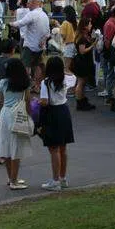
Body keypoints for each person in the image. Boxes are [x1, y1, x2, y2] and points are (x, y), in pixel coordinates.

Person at [0, 58, 32, 190]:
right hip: (18, 114)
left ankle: (11, 178)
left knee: (6, 146)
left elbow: (0, 101)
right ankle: (14, 181)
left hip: (5, 113)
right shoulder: (24, 83)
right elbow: (27, 101)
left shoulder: (3, 82)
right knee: (16, 148)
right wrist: (29, 117)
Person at [38, 56, 73, 191]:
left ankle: (55, 180)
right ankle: (63, 178)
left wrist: (37, 102)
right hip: (64, 111)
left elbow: (45, 101)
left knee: (54, 149)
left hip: (52, 113)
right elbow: (73, 77)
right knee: (63, 148)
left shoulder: (46, 83)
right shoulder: (66, 79)